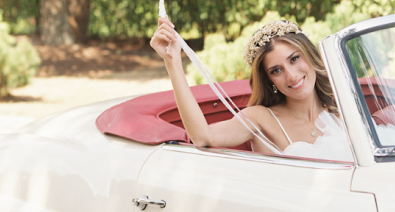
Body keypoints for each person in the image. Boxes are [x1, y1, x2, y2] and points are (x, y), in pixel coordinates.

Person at [150, 16, 353, 160]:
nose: (291, 76)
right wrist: (172, 61)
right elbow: (203, 137)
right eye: (276, 70)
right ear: (269, 81)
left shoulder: (342, 109)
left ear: (309, 55)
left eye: (294, 59)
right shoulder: (260, 118)